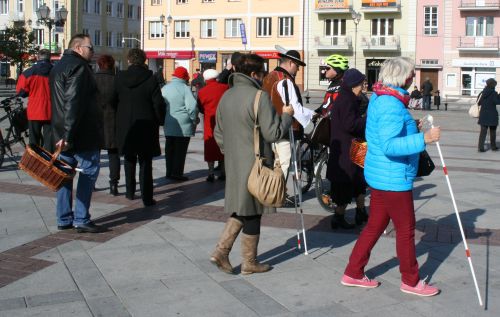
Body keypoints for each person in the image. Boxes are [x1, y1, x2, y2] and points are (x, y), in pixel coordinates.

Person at [341, 57, 441, 297]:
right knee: (406, 230)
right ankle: (411, 280)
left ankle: (353, 272)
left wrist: (411, 127)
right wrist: (424, 139)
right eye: (410, 74)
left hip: (381, 175)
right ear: (402, 77)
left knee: (375, 225)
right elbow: (389, 145)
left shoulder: (382, 97)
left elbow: (384, 132)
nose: (412, 79)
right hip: (392, 177)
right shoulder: (390, 103)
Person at [210, 54, 294, 275]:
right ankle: (249, 262)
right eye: (261, 74)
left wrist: (231, 152)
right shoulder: (259, 97)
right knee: (253, 211)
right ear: (254, 74)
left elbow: (219, 132)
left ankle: (221, 251)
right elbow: (273, 132)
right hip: (256, 163)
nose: (262, 78)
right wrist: (286, 116)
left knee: (243, 208)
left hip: (234, 163)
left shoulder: (227, 96)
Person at [50, 34, 104, 233]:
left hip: (62, 131)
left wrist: (62, 133)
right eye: (91, 48)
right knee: (89, 172)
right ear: (79, 47)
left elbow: (58, 103)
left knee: (63, 175)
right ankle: (81, 218)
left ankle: (63, 218)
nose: (93, 51)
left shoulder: (58, 66)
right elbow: (73, 103)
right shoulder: (80, 68)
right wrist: (68, 134)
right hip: (80, 134)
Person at [113, 49, 166, 206]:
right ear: (144, 61)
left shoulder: (119, 78)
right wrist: (160, 120)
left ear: (129, 60)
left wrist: (118, 116)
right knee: (145, 162)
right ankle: (147, 197)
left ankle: (130, 192)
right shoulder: (151, 79)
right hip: (146, 124)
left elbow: (112, 100)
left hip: (125, 125)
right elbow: (158, 103)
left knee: (129, 159)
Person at [262, 49, 312, 207]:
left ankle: (275, 193)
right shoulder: (285, 80)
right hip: (283, 128)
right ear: (291, 63)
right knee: (283, 163)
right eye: (297, 66)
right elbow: (294, 108)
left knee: (274, 163)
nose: (298, 70)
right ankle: (277, 196)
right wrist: (311, 120)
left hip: (268, 126)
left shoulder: (270, 76)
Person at [327, 69, 368, 230]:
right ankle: (338, 216)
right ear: (353, 85)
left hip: (354, 147)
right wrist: (366, 120)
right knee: (345, 185)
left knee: (359, 181)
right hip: (346, 149)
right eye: (361, 84)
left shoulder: (350, 98)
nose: (363, 87)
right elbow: (350, 124)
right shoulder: (346, 100)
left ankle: (361, 211)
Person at [161, 66, 198, 181]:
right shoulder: (185, 89)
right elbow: (192, 107)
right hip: (183, 125)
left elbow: (160, 105)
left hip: (168, 122)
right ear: (184, 77)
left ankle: (169, 172)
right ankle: (177, 173)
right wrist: (194, 119)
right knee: (180, 151)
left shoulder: (165, 88)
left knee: (169, 149)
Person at [16, 49, 52, 149]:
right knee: (49, 141)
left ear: (37, 57)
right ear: (49, 58)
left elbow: (21, 92)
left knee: (34, 141)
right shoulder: (56, 72)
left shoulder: (28, 73)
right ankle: (48, 162)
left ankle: (35, 162)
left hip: (34, 110)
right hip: (51, 111)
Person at [197, 68, 228, 182]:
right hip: (224, 121)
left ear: (205, 79)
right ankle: (223, 172)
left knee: (210, 146)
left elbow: (200, 108)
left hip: (209, 122)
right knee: (223, 145)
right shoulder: (225, 88)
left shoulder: (202, 91)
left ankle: (210, 173)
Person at [94, 54, 120, 196]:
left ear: (99, 65)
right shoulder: (116, 80)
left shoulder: (92, 79)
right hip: (112, 121)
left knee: (93, 154)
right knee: (113, 154)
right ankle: (113, 184)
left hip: (95, 122)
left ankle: (91, 182)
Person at [477, 78, 499, 152]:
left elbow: (478, 102)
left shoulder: (482, 92)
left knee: (483, 132)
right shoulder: (493, 93)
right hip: (492, 115)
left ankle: (481, 147)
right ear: (493, 85)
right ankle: (493, 146)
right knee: (492, 131)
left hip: (483, 115)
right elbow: (497, 102)